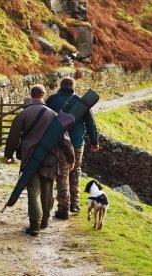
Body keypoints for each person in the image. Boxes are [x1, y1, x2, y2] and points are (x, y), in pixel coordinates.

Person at [4, 84, 74, 236]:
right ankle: (45, 222)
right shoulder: (54, 115)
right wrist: (71, 158)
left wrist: (8, 155)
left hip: (29, 159)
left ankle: (34, 226)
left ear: (31, 95)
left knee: (33, 193)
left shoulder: (23, 114)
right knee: (47, 192)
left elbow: (13, 137)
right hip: (49, 159)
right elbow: (65, 140)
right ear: (44, 95)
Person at [46, 77, 99, 219]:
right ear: (73, 87)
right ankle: (74, 204)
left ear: (60, 86)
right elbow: (91, 124)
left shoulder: (51, 100)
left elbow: (45, 120)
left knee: (62, 173)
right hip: (77, 143)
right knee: (75, 171)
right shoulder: (81, 102)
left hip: (59, 142)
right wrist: (94, 142)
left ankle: (63, 207)